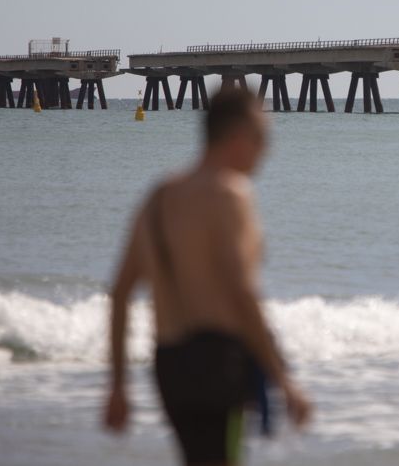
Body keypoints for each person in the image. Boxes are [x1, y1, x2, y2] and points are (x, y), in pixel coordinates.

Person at [104, 87, 312, 465]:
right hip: (220, 365)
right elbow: (241, 291)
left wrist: (118, 386)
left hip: (169, 365)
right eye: (262, 137)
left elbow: (119, 293)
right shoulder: (231, 194)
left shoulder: (160, 196)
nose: (267, 149)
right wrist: (283, 379)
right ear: (237, 137)